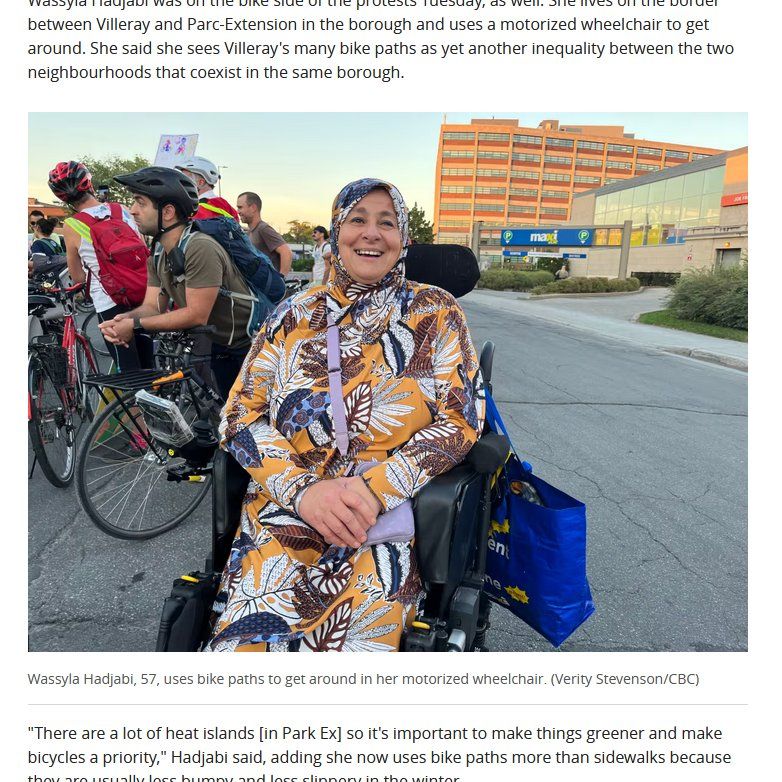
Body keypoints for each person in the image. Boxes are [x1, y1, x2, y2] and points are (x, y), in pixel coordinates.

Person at [205, 178, 485, 653]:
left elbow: (461, 421)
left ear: (403, 238)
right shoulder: (292, 314)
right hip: (285, 509)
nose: (371, 233)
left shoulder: (436, 312)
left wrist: (374, 490)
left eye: (387, 223)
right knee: (248, 645)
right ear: (337, 232)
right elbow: (238, 417)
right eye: (358, 220)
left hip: (381, 512)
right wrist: (303, 492)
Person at [101, 166, 254, 399]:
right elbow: (152, 306)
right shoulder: (159, 253)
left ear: (168, 212)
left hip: (250, 344)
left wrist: (135, 326)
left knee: (247, 415)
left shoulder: (199, 247)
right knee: (224, 409)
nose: (132, 210)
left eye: (140, 203)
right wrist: (124, 319)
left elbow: (196, 314)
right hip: (221, 341)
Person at [48, 160, 154, 371]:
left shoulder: (72, 225)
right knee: (149, 363)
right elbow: (143, 249)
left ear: (62, 197)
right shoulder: (122, 210)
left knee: (129, 371)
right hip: (144, 293)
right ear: (89, 184)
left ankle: (136, 393)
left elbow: (77, 276)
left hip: (109, 302)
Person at [235, 191, 292, 275]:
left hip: (270, 282)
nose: (238, 211)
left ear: (253, 208)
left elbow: (286, 252)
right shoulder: (249, 233)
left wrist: (281, 278)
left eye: (240, 207)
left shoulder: (263, 229)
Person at [174, 156, 240, 222]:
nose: (181, 183)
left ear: (200, 182)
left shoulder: (197, 211)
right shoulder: (225, 205)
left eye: (186, 179)